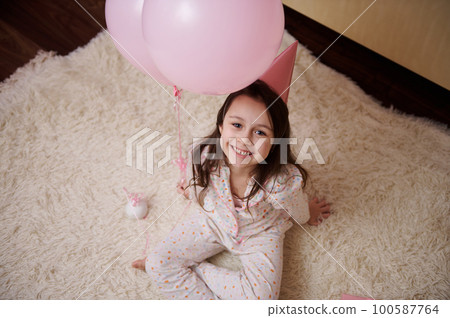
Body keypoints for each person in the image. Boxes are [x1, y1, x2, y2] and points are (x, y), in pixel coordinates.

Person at [132, 80, 331, 299]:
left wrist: (307, 213)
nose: (244, 139)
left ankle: (197, 269)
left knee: (260, 301)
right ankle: (178, 268)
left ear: (275, 142)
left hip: (260, 233)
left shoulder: (281, 181)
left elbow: (298, 210)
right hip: (213, 220)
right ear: (221, 127)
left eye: (260, 132)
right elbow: (196, 181)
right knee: (157, 262)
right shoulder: (205, 155)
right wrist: (192, 191)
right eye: (237, 125)